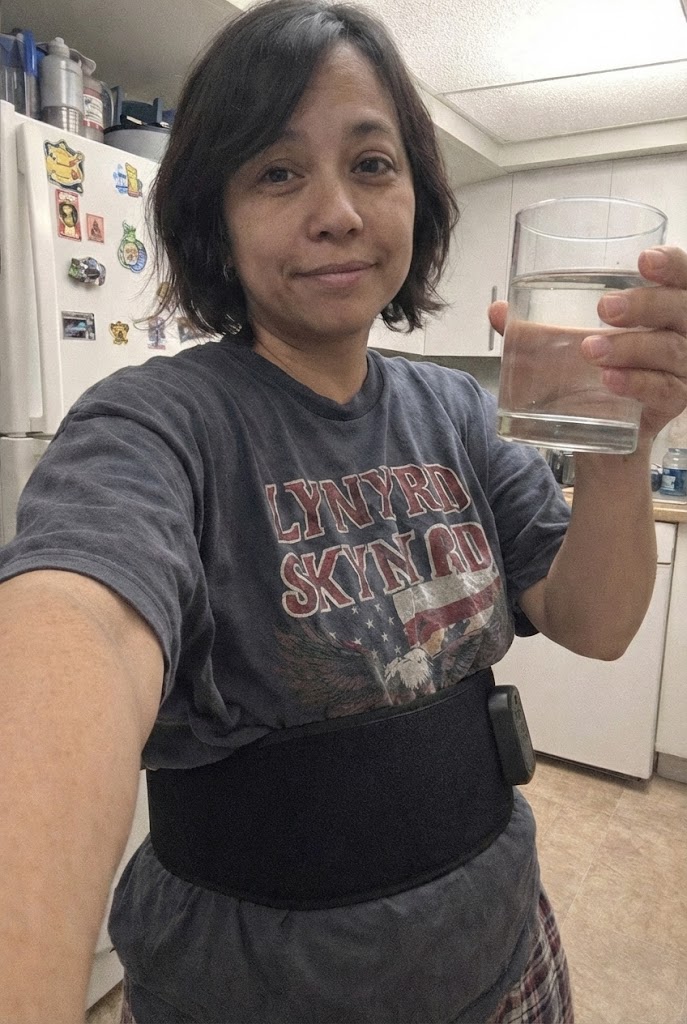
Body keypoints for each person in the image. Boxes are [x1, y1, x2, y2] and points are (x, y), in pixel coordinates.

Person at [1, 2, 686, 1022]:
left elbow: (595, 622)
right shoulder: (158, 423)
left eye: (372, 165)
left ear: (418, 196)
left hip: (506, 963)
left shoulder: (462, 413)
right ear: (215, 218)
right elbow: (81, 618)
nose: (339, 212)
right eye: (278, 172)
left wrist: (630, 438)